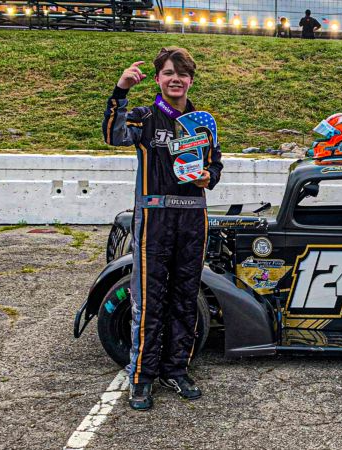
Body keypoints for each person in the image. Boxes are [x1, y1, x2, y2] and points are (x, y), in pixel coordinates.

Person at [102, 47, 223, 411]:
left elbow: (216, 163)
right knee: (149, 300)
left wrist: (209, 177)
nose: (176, 79)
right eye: (169, 73)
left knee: (185, 298)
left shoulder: (203, 121)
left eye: (182, 74)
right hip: (153, 220)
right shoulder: (144, 117)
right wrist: (120, 91)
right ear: (158, 78)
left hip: (192, 218)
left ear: (190, 80)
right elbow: (113, 134)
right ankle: (141, 377)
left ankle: (176, 369)